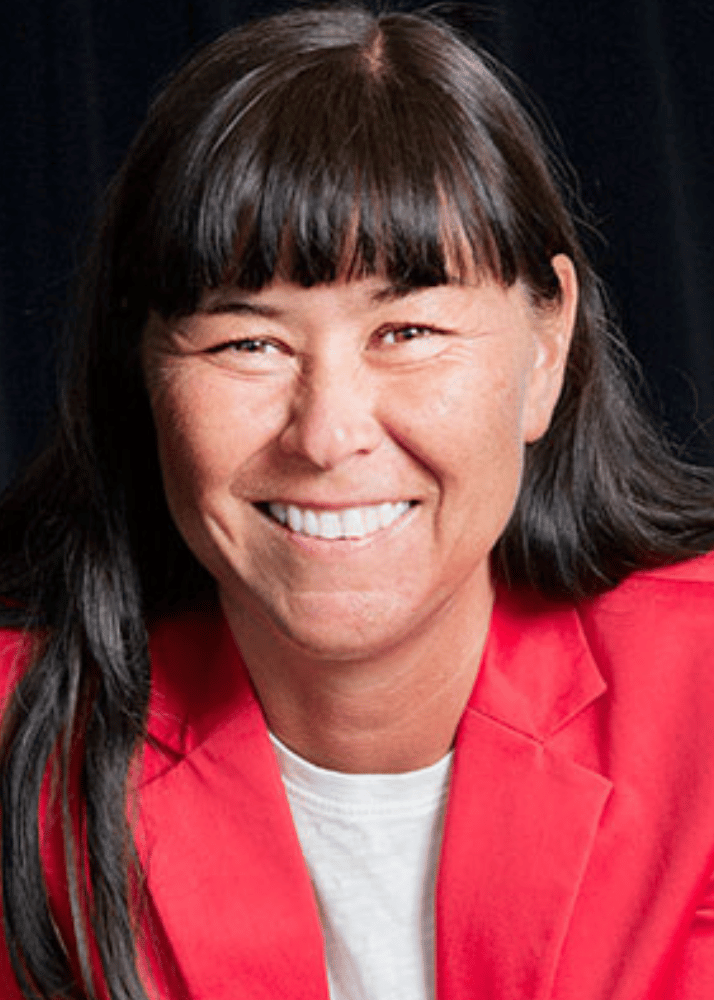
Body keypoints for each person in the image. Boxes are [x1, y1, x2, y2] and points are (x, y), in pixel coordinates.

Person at [1, 4, 714, 999]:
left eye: (410, 330)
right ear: (146, 374)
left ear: (546, 347)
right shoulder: (18, 741)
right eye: (247, 342)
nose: (328, 434)